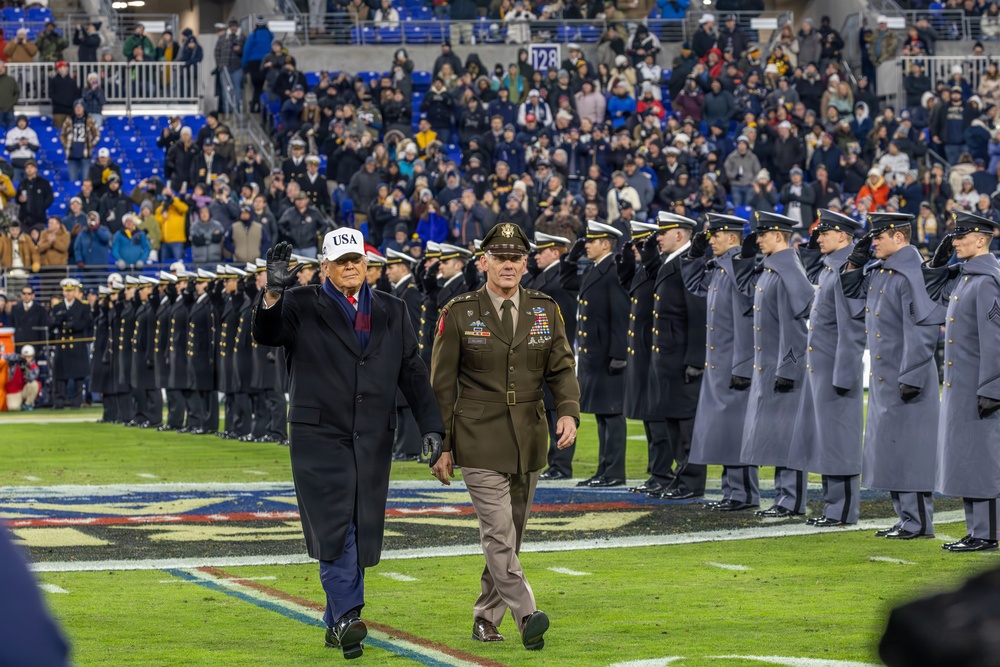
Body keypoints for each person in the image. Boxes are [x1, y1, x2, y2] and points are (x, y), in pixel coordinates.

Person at [253, 234, 445, 659]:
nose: (350, 267)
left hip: (373, 437)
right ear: (325, 266)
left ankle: (334, 621)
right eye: (341, 261)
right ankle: (347, 616)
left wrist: (432, 425)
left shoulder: (392, 308)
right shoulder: (300, 302)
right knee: (335, 526)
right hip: (318, 437)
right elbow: (266, 334)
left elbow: (412, 370)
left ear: (368, 264)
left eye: (356, 259)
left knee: (359, 524)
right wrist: (273, 292)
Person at [429, 221, 579, 651]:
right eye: (501, 258)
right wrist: (442, 445)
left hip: (529, 437)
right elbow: (442, 385)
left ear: (525, 263)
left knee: (509, 536)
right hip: (477, 436)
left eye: (516, 258)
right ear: (484, 262)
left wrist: (568, 411)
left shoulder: (544, 309)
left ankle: (484, 617)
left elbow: (561, 368)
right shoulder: (459, 311)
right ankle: (527, 614)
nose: (509, 265)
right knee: (498, 532)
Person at [841, 212, 943, 539]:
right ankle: (905, 517)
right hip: (887, 379)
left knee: (910, 451)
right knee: (892, 451)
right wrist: (854, 264)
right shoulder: (882, 271)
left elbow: (923, 329)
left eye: (878, 236)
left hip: (907, 379)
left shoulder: (913, 274)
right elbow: (852, 299)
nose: (873, 243)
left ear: (898, 237)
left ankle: (919, 521)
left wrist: (911, 375)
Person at [924, 211, 1000, 552]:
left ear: (981, 240)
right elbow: (932, 295)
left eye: (961, 236)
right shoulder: (967, 277)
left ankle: (988, 532)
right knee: (969, 460)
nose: (954, 242)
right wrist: (937, 263)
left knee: (984, 460)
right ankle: (976, 529)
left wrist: (993, 387)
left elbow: (995, 340)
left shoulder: (987, 282)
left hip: (981, 388)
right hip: (963, 388)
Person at [787, 209, 867, 527]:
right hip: (821, 370)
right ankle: (832, 507)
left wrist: (844, 374)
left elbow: (852, 329)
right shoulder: (829, 267)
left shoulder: (848, 270)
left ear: (843, 236)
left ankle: (842, 510)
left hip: (836, 370)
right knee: (825, 440)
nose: (818, 238)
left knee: (839, 442)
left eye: (824, 233)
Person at [735, 211, 814, 518]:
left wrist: (789, 368)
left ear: (778, 235)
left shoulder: (786, 269)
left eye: (763, 234)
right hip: (769, 367)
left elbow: (795, 326)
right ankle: (784, 497)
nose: (758, 239)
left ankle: (791, 500)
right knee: (777, 436)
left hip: (782, 369)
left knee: (788, 436)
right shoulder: (773, 268)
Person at [681, 213, 759, 511]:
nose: (711, 240)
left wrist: (743, 366)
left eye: (715, 236)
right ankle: (732, 492)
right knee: (724, 433)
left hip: (733, 366)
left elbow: (746, 323)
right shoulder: (718, 268)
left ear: (732, 237)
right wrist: (694, 255)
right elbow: (694, 285)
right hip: (719, 365)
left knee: (736, 432)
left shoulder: (740, 268)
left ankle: (744, 494)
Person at [640, 212, 708, 500]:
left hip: (681, 360)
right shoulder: (672, 262)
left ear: (679, 235)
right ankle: (680, 477)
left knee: (686, 425)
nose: (657, 238)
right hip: (668, 361)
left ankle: (691, 481)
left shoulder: (689, 263)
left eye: (662, 233)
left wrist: (695, 359)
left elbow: (698, 315)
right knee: (673, 422)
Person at [562, 221, 629, 487]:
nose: (587, 245)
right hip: (595, 356)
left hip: (608, 357)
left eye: (592, 241)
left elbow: (620, 314)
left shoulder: (614, 269)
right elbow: (568, 283)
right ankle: (604, 470)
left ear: (606, 244)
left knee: (612, 415)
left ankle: (614, 472)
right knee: (602, 415)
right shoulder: (595, 268)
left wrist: (619, 354)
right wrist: (571, 258)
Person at [529, 232, 578, 480]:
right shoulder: (546, 276)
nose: (536, 255)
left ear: (555, 252)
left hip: (556, 351)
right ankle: (554, 462)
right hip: (542, 350)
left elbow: (565, 318)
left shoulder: (560, 279)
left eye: (541, 251)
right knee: (548, 408)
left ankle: (561, 463)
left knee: (559, 407)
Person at [50, 278, 93, 409]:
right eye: (66, 290)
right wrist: (57, 322)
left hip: (76, 343)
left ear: (74, 291)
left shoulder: (83, 306)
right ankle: (59, 400)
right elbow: (52, 324)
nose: (68, 293)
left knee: (78, 374)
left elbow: (87, 323)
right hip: (62, 344)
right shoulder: (57, 307)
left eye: (70, 290)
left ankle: (77, 400)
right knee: (60, 374)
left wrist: (73, 325)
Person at [130, 275, 162, 428]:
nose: (140, 292)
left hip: (148, 352)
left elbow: (151, 333)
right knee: (140, 387)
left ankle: (154, 418)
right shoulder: (144, 307)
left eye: (143, 289)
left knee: (152, 388)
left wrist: (151, 354)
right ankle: (141, 416)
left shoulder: (153, 307)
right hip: (140, 352)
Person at [61, 99, 100, 183]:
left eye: (80, 106)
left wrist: (91, 145)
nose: (78, 108)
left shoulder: (90, 120)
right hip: (72, 155)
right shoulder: (69, 120)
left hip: (85, 155)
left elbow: (97, 134)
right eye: (76, 107)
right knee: (73, 180)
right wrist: (66, 144)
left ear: (84, 108)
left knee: (86, 181)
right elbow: (62, 135)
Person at [5, 344, 40, 411]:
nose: (26, 359)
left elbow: (31, 379)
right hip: (14, 390)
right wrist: (17, 357)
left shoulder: (34, 367)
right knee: (13, 408)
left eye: (29, 357)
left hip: (24, 390)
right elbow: (4, 357)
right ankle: (20, 405)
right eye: (25, 357)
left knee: (34, 384)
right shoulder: (14, 363)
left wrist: (25, 370)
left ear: (32, 357)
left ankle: (28, 404)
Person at [0, 63, 20, 130]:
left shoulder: (11, 80)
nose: (0, 69)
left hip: (10, 109)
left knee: (11, 130)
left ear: (5, 69)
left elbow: (17, 92)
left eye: (2, 67)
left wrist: (13, 102)